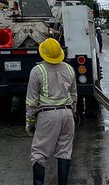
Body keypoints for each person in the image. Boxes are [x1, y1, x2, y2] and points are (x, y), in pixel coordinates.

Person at [25, 38, 77, 185]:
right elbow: (74, 95)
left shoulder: (37, 71)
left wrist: (30, 122)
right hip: (67, 113)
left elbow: (32, 101)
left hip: (47, 115)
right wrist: (72, 112)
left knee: (39, 153)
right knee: (65, 151)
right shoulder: (69, 69)